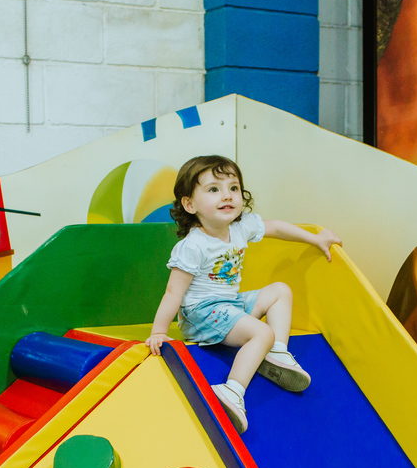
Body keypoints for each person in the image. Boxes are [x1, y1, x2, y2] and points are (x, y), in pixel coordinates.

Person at [145, 155, 341, 433]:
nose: (227, 196)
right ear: (189, 204)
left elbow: (275, 227)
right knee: (262, 332)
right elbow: (173, 292)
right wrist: (159, 332)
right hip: (202, 314)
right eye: (214, 189)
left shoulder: (240, 228)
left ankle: (277, 352)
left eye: (233, 188)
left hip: (231, 306)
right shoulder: (194, 245)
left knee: (280, 291)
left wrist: (315, 238)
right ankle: (231, 391)